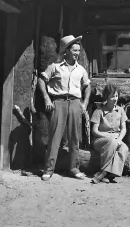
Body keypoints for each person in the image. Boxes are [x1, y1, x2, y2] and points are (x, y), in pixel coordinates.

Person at [38, 35, 91, 181]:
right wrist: (47, 98)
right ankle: (48, 169)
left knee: (75, 137)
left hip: (75, 103)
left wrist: (85, 103)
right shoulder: (55, 67)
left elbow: (87, 85)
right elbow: (41, 80)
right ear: (66, 51)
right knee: (55, 137)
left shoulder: (80, 69)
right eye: (74, 50)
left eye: (78, 50)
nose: (77, 53)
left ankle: (74, 168)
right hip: (59, 102)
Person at [90, 84, 128, 183]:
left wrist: (119, 139)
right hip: (100, 140)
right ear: (106, 97)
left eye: (116, 96)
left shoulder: (121, 110)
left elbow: (123, 129)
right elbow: (94, 131)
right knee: (112, 142)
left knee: (124, 148)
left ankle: (108, 175)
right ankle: (103, 172)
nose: (115, 99)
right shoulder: (98, 111)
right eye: (112, 96)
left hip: (116, 139)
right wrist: (108, 136)